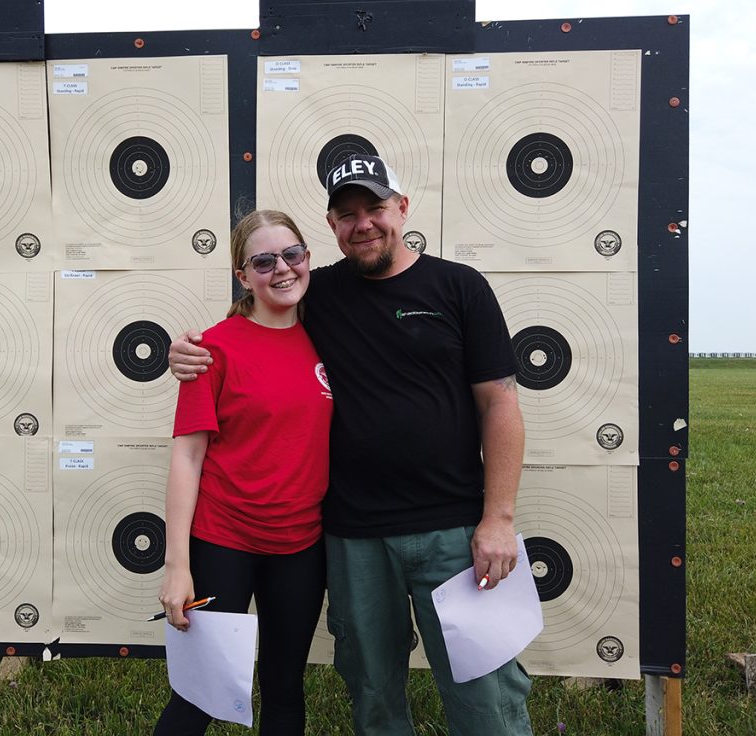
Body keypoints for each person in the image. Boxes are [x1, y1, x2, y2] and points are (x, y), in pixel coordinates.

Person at [170, 154, 532, 735]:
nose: (363, 224)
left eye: (375, 209)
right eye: (347, 214)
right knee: (373, 691)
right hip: (354, 538)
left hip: (454, 530)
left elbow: (501, 403)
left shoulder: (460, 286)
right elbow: (257, 324)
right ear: (332, 227)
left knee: (485, 691)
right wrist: (187, 350)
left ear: (402, 209)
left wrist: (499, 518)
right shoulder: (320, 292)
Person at [154, 210, 332, 735]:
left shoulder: (329, 337)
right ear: (242, 275)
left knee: (284, 690)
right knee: (200, 696)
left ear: (307, 260)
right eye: (264, 260)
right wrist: (176, 566)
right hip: (223, 543)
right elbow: (187, 458)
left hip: (301, 548)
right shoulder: (212, 350)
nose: (282, 268)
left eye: (292, 254)